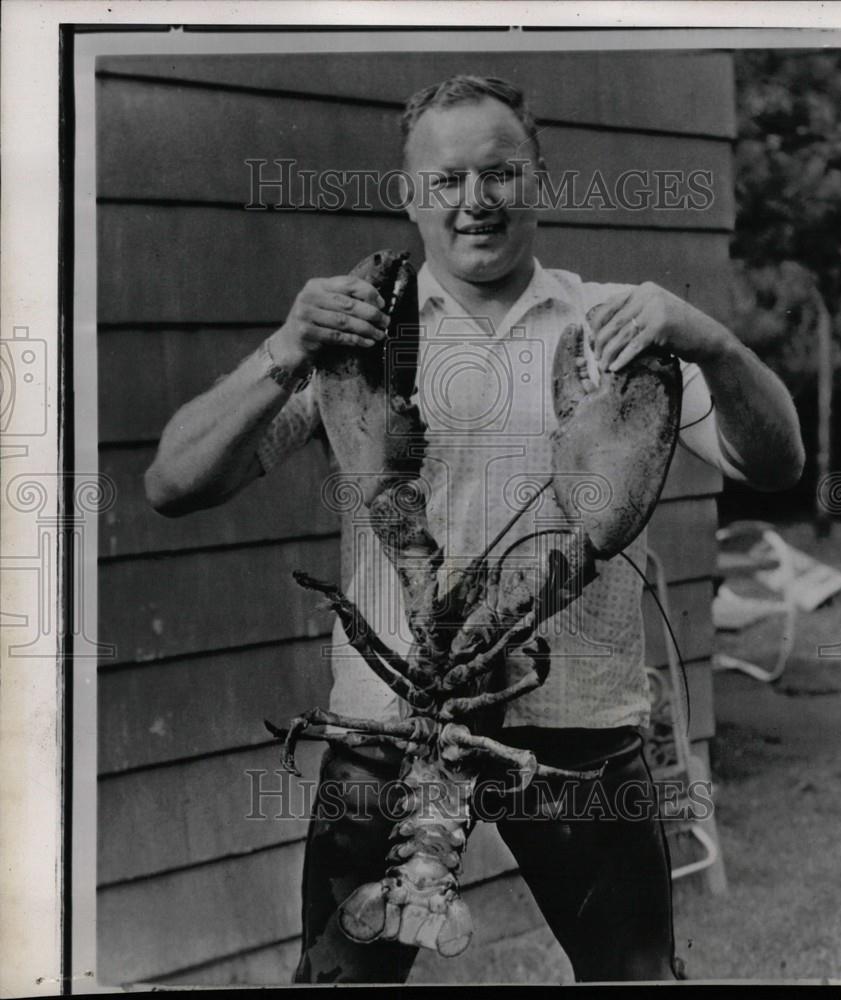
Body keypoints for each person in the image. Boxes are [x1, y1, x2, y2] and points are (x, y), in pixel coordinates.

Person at [145, 75, 804, 984]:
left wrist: (717, 346)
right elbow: (170, 483)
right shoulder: (353, 335)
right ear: (410, 195)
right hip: (388, 738)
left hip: (581, 732)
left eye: (500, 174)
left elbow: (776, 466)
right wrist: (284, 351)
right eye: (446, 180)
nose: (474, 201)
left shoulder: (616, 329)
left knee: (636, 975)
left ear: (538, 179)